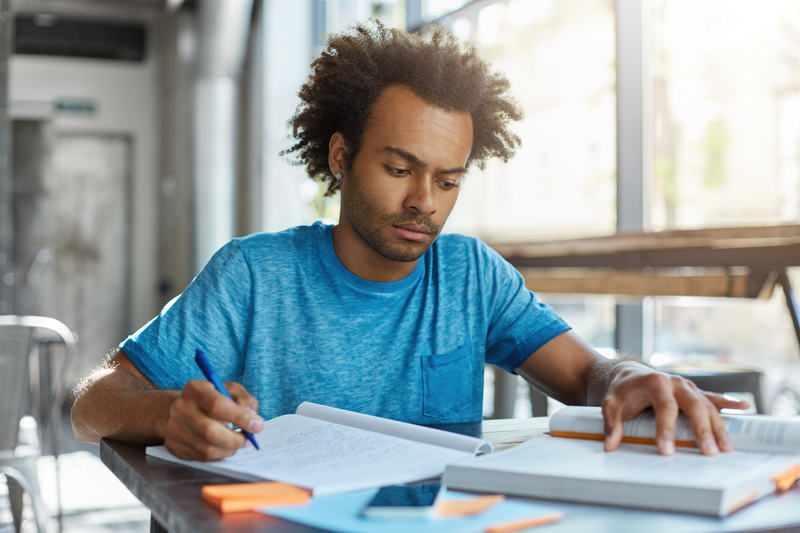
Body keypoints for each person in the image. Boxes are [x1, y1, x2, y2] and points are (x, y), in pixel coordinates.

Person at [71, 21, 745, 462]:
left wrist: (627, 375)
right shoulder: (253, 274)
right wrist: (170, 413)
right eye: (399, 169)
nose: (425, 199)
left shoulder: (471, 274)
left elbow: (586, 375)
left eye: (448, 179)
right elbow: (91, 406)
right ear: (340, 156)